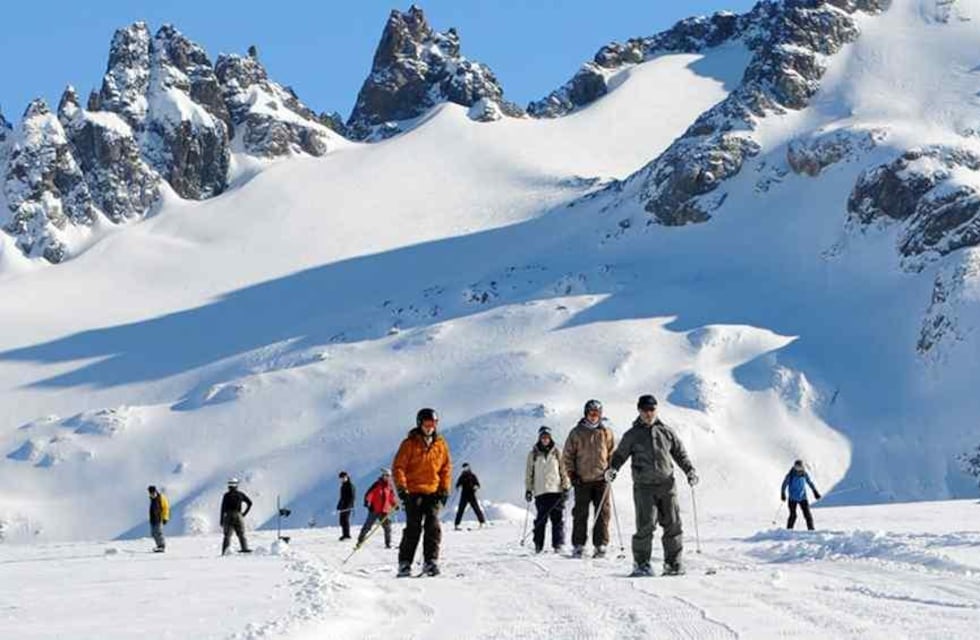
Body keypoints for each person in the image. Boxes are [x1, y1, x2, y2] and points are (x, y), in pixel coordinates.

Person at [607, 394, 698, 576]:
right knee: (645, 526)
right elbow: (620, 455)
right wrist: (613, 469)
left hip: (667, 485)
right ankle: (642, 565)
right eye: (645, 410)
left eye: (652, 409)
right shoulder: (632, 435)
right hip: (644, 486)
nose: (648, 413)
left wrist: (689, 470)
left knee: (673, 525)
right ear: (639, 411)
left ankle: (672, 564)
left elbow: (679, 453)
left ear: (656, 410)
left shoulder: (666, 432)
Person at [392, 407, 452, 577]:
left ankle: (430, 561)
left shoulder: (440, 444)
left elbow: (446, 468)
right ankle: (405, 563)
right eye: (427, 423)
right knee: (414, 527)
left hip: (433, 491)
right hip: (413, 491)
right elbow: (399, 467)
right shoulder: (409, 444)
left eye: (433, 423)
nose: (430, 427)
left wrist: (444, 489)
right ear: (420, 424)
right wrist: (402, 488)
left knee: (433, 526)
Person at [562, 399, 616, 558]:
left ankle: (600, 545)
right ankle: (578, 545)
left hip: (601, 480)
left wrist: (611, 469)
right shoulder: (576, 432)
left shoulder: (605, 432)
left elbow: (612, 453)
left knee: (603, 513)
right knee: (580, 513)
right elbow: (567, 455)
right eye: (591, 413)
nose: (593, 416)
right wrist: (572, 474)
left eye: (596, 413)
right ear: (586, 414)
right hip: (582, 480)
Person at [525, 426, 570, 553]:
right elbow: (529, 473)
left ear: (550, 438)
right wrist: (528, 489)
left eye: (547, 437)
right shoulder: (533, 454)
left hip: (556, 491)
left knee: (557, 519)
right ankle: (538, 545)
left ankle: (558, 545)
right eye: (543, 437)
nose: (545, 439)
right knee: (541, 520)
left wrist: (566, 486)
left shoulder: (557, 452)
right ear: (539, 438)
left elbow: (563, 470)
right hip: (540, 491)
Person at [357, 468, 398, 549]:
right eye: (386, 475)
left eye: (388, 476)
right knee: (368, 526)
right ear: (383, 476)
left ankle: (388, 543)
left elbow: (391, 497)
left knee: (387, 527)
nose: (387, 477)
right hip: (375, 509)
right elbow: (369, 494)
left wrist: (394, 504)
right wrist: (367, 501)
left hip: (385, 510)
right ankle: (360, 540)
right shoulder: (377, 484)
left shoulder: (389, 487)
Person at [781, 459, 821, 530]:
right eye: (797, 467)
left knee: (808, 515)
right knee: (793, 515)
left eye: (800, 467)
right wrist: (783, 493)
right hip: (792, 498)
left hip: (803, 497)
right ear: (794, 467)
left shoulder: (804, 474)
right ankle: (789, 530)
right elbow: (784, 484)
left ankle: (811, 530)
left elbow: (810, 483)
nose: (798, 469)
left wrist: (815, 491)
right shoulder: (790, 475)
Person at [220, 478, 253, 555]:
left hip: (228, 516)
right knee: (241, 534)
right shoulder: (240, 494)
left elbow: (223, 508)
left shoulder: (226, 495)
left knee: (227, 536)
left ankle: (225, 552)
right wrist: (244, 514)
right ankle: (244, 549)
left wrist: (221, 519)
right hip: (238, 515)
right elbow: (250, 503)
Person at [454, 462, 487, 530]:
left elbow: (478, 484)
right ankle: (457, 524)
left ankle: (482, 522)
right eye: (464, 468)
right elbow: (458, 483)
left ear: (469, 468)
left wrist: (476, 487)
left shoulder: (472, 476)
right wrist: (457, 486)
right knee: (461, 509)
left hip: (471, 494)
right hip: (464, 495)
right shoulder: (462, 476)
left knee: (476, 508)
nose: (465, 469)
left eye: (466, 467)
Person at [147, 485, 170, 553]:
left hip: (159, 518)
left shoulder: (161, 498)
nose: (152, 494)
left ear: (155, 491)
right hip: (153, 519)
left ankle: (162, 546)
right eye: (150, 493)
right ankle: (159, 546)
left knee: (158, 532)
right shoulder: (152, 498)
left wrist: (165, 518)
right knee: (153, 533)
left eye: (153, 493)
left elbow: (166, 508)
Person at [337, 471, 355, 541]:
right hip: (343, 506)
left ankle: (347, 535)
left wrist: (349, 506)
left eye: (344, 477)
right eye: (341, 478)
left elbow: (352, 497)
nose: (343, 479)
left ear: (347, 477)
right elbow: (342, 497)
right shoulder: (343, 486)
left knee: (345, 520)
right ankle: (344, 534)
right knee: (342, 521)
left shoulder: (350, 485)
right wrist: (339, 505)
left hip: (348, 506)